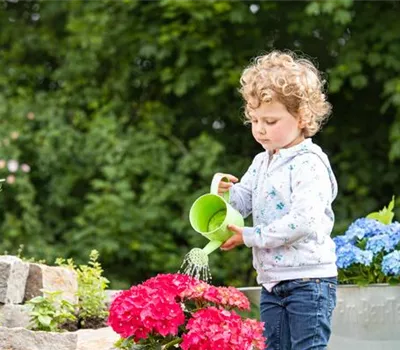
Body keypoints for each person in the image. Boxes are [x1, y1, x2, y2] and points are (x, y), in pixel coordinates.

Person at [217, 50, 338, 350]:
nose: (260, 128)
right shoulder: (262, 161)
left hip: (309, 282)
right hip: (272, 282)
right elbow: (244, 201)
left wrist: (250, 236)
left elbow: (303, 222)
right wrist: (223, 194)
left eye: (270, 120)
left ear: (301, 117)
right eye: (255, 119)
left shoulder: (310, 163)